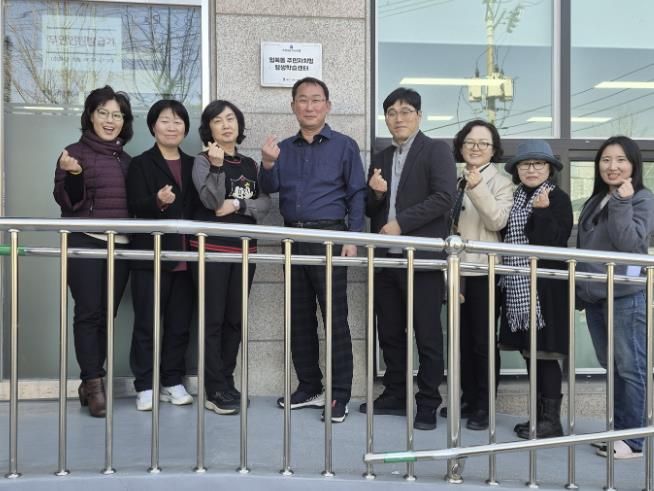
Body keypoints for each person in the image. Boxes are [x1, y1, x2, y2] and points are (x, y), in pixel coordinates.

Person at [259, 77, 366, 423]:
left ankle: (339, 394)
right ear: (293, 106)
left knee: (334, 318)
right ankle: (310, 387)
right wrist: (268, 163)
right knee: (299, 317)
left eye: (316, 100)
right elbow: (269, 187)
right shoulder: (283, 148)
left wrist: (353, 237)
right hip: (293, 237)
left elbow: (357, 194)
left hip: (330, 237)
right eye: (302, 100)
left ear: (327, 106)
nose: (309, 106)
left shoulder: (345, 146)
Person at [361, 87, 456, 431]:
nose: (398, 118)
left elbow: (444, 197)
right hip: (386, 260)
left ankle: (428, 402)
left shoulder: (436, 150)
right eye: (391, 113)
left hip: (422, 260)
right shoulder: (382, 157)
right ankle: (395, 393)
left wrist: (401, 224)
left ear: (419, 116)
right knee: (390, 331)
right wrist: (375, 193)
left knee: (427, 334)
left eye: (405, 111)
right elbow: (369, 209)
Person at [53, 86, 133, 417]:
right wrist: (73, 173)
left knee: (106, 314)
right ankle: (94, 382)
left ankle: (91, 380)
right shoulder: (73, 153)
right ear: (90, 116)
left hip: (121, 245)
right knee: (87, 313)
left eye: (117, 115)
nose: (110, 120)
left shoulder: (127, 160)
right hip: (85, 241)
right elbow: (67, 202)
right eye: (103, 113)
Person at [577, 135, 654, 459]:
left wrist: (623, 202)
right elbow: (585, 246)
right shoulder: (598, 199)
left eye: (621, 160)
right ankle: (619, 432)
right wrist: (580, 290)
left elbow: (629, 244)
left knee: (631, 367)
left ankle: (633, 440)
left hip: (625, 296)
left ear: (634, 164)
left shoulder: (642, 199)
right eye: (606, 160)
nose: (612, 166)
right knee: (612, 366)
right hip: (596, 297)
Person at [192, 100, 271, 415]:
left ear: (239, 125)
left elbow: (264, 204)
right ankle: (214, 389)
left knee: (234, 320)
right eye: (217, 121)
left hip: (245, 251)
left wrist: (239, 205)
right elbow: (212, 202)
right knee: (212, 320)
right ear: (208, 129)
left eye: (230, 119)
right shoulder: (202, 162)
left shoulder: (250, 164)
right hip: (212, 252)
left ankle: (226, 381)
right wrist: (216, 167)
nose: (225, 125)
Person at [126, 99, 198, 411]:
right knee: (147, 323)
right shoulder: (140, 164)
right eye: (165, 121)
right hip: (151, 257)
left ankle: (171, 380)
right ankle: (144, 384)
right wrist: (157, 201)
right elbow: (134, 206)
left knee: (180, 325)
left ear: (186, 128)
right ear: (153, 126)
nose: (172, 127)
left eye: (178, 121)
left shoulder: (194, 164)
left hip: (187, 258)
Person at [498, 140, 572, 439]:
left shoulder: (558, 198)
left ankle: (552, 422)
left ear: (549, 169)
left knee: (546, 354)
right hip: (518, 286)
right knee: (530, 353)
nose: (531, 169)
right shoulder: (515, 197)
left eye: (538, 164)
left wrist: (541, 212)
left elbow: (552, 243)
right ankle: (539, 417)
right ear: (516, 170)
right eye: (525, 164)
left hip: (546, 290)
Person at [441, 120, 513, 430]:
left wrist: (477, 187)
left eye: (483, 143)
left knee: (483, 341)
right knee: (460, 339)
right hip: (457, 270)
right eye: (469, 142)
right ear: (460, 146)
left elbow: (497, 221)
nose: (475, 148)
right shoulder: (456, 178)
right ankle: (468, 398)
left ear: (493, 150)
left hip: (484, 269)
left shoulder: (502, 182)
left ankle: (485, 404)